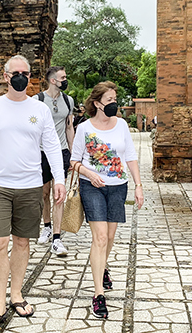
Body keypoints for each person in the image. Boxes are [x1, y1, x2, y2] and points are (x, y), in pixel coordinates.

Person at [0, 55, 66, 332]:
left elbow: (52, 146)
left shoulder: (40, 110)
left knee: (22, 242)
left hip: (30, 185)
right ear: (6, 76)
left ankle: (16, 294)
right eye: (15, 72)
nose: (20, 76)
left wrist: (59, 178)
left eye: (26, 72)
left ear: (30, 76)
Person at [70, 81, 144, 319]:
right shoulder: (84, 128)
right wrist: (90, 174)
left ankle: (102, 268)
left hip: (117, 187)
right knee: (100, 237)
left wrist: (138, 185)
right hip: (92, 187)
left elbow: (130, 156)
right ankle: (98, 294)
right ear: (97, 103)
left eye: (115, 99)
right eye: (110, 100)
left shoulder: (121, 125)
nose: (114, 104)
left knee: (109, 237)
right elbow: (74, 161)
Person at [34, 66, 75, 256]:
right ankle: (47, 226)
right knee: (44, 193)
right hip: (42, 152)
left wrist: (74, 154)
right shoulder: (38, 101)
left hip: (61, 151)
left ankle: (57, 239)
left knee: (59, 194)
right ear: (53, 80)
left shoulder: (68, 100)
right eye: (63, 77)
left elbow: (69, 128)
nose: (65, 80)